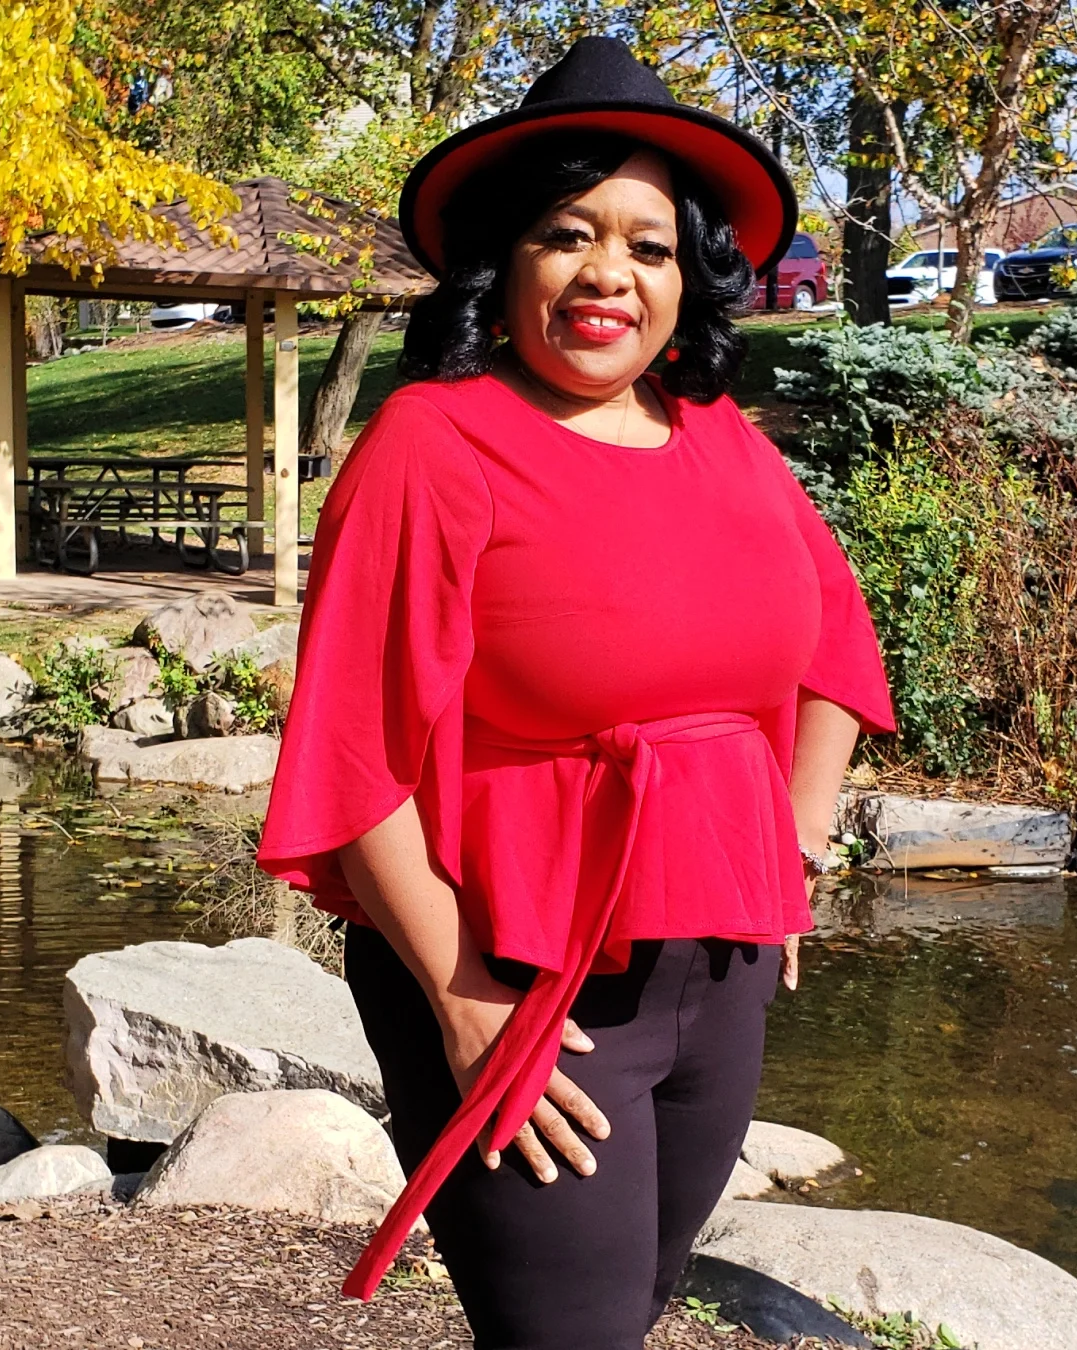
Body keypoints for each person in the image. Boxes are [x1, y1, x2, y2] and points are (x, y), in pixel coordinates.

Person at [257, 35, 895, 1350]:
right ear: (511, 257)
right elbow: (352, 749)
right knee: (572, 1332)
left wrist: (796, 843)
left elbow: (837, 643)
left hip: (716, 971)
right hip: (519, 965)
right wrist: (463, 1000)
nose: (610, 272)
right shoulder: (433, 446)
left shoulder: (725, 441)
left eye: (649, 246)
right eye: (569, 232)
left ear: (689, 274)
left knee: (632, 1307)